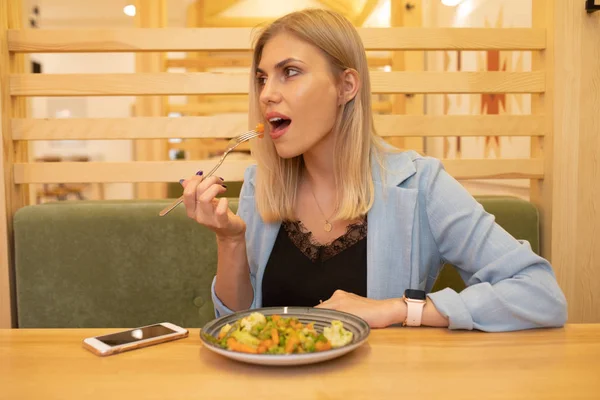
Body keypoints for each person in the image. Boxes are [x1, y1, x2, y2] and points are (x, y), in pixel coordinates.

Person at [181, 9, 567, 331]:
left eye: (291, 72)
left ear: (346, 86)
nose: (267, 93)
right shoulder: (259, 184)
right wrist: (230, 241)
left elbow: (540, 293)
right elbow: (236, 327)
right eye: (262, 78)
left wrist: (398, 309)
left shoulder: (420, 184)